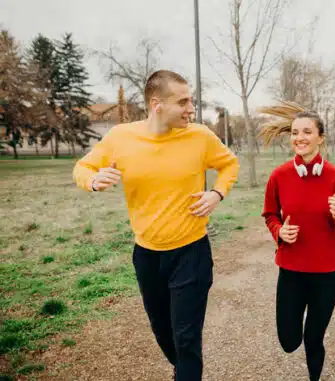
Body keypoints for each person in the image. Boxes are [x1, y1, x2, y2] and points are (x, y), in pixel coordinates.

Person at [72, 70, 240, 381]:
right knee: (163, 332)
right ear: (157, 104)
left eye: (191, 101)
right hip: (147, 255)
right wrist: (93, 180)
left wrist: (217, 193)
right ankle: (181, 367)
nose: (192, 108)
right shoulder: (121, 138)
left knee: (187, 339)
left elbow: (229, 164)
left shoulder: (200, 137)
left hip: (191, 252)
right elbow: (82, 166)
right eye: (184, 102)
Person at [261, 109, 335, 381]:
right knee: (289, 341)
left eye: (306, 132)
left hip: (326, 274)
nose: (299, 138)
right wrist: (280, 231)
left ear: (320, 138)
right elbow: (269, 214)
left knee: (313, 339)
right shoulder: (278, 176)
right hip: (291, 271)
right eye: (294, 132)